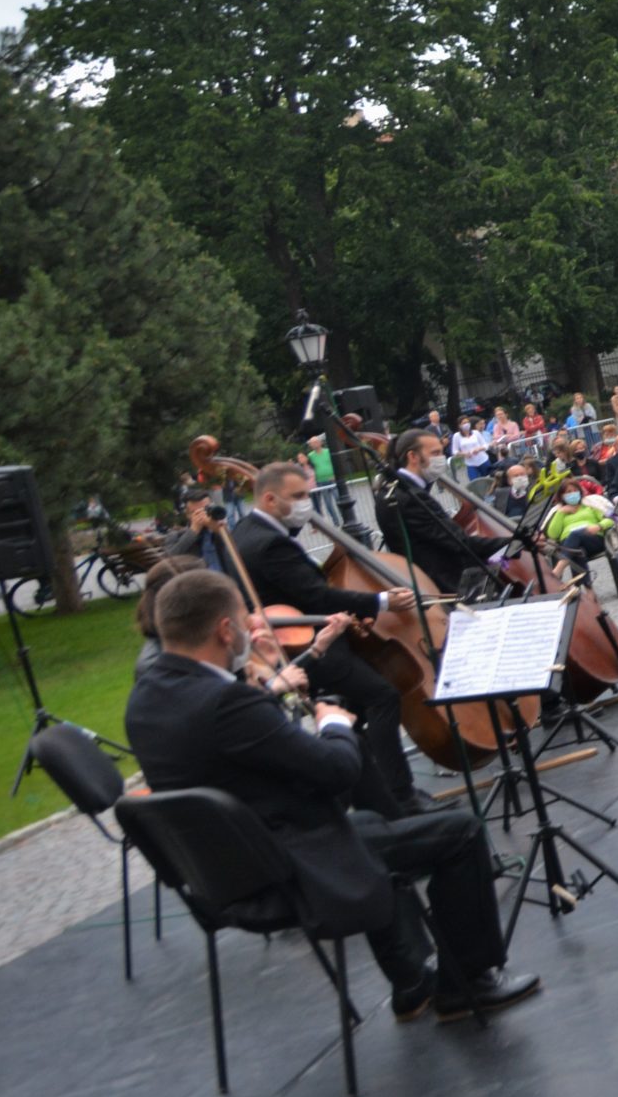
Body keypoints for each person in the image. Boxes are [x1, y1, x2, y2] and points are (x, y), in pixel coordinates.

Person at [126, 570, 540, 1021]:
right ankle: (468, 983)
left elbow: (237, 754)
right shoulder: (226, 703)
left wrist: (267, 686)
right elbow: (336, 771)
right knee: (460, 832)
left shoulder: (145, 699)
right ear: (225, 630)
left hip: (222, 874)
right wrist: (335, 725)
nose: (253, 628)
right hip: (291, 865)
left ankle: (411, 983)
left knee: (372, 828)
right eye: (246, 621)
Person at [232, 462, 428, 818]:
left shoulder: (243, 530)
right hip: (311, 645)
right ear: (270, 499)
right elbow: (317, 596)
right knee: (382, 697)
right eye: (298, 496)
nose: (306, 504)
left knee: (353, 714)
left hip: (294, 640)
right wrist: (381, 601)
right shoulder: (270, 544)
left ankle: (370, 795)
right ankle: (401, 798)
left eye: (307, 494)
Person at [367, 429, 506, 602]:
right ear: (413, 456)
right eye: (435, 453)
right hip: (446, 587)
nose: (441, 458)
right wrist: (511, 543)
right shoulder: (410, 497)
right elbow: (458, 542)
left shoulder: (397, 489)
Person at [544, 479, 618, 571]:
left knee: (575, 535)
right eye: (569, 492)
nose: (573, 494)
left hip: (592, 539)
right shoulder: (559, 512)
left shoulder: (590, 505)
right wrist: (561, 513)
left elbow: (612, 519)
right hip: (570, 545)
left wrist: (599, 526)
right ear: (562, 496)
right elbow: (553, 534)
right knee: (577, 551)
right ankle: (584, 581)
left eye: (575, 490)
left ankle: (559, 568)